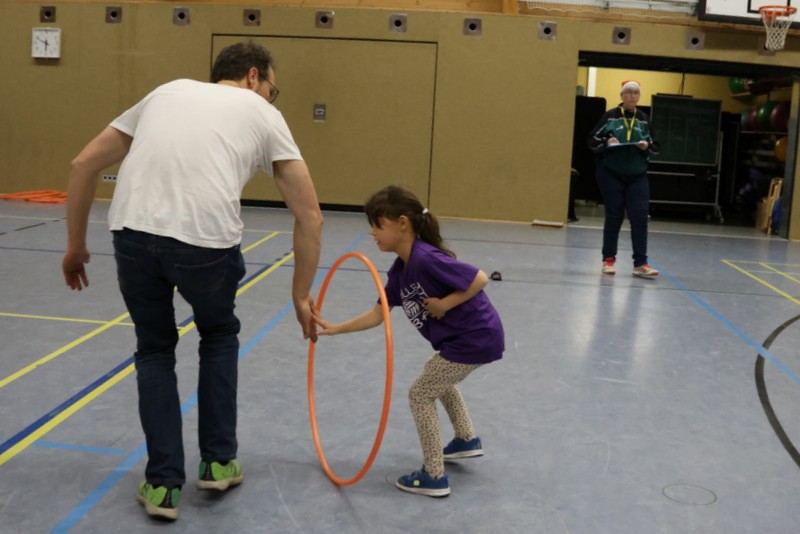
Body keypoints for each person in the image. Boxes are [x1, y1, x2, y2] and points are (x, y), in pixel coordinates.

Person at [61, 41, 323, 521]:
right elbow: (310, 215)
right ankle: (219, 462)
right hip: (206, 242)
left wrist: (76, 246)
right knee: (218, 334)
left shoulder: (165, 92)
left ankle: (162, 486)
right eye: (273, 87)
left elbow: (82, 165)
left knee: (154, 349)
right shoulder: (261, 112)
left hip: (132, 233)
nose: (271, 96)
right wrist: (300, 294)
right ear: (253, 76)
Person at [312, 185, 504, 498]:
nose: (373, 233)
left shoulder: (426, 258)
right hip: (465, 339)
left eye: (378, 225)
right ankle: (466, 439)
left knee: (420, 394)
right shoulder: (400, 272)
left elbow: (479, 278)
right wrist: (335, 328)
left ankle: (434, 475)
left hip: (475, 336)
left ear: (402, 223)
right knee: (436, 376)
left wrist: (444, 304)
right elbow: (377, 315)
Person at [588, 79, 660, 278]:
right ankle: (608, 259)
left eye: (635, 93)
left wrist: (647, 146)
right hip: (611, 174)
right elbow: (592, 140)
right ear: (621, 95)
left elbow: (656, 147)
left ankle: (641, 263)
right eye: (628, 92)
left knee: (640, 217)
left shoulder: (644, 119)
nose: (632, 96)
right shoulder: (610, 116)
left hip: (637, 176)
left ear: (639, 96)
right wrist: (607, 141)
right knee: (614, 215)